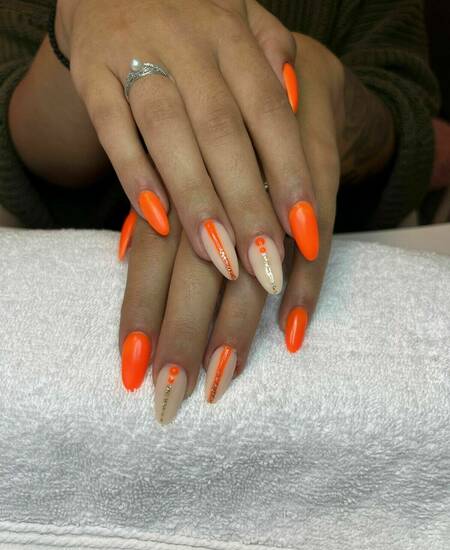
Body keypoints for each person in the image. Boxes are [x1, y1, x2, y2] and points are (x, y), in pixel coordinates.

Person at [0, 0, 439, 424]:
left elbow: (410, 123)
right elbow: (16, 138)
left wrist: (336, 100)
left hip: (347, 245)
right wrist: (77, 23)